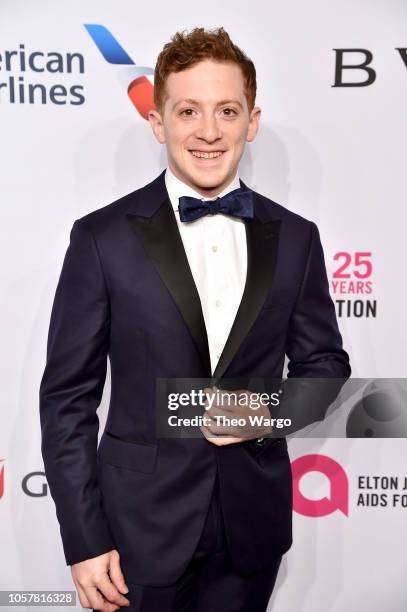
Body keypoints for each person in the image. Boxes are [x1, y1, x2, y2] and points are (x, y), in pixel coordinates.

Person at [39, 26, 351, 612]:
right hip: (136, 537)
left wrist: (267, 410)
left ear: (251, 121)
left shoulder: (298, 239)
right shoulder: (100, 238)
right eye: (188, 111)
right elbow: (66, 399)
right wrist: (83, 539)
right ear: (159, 123)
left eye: (226, 110)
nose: (208, 131)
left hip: (251, 534)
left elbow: (326, 363)